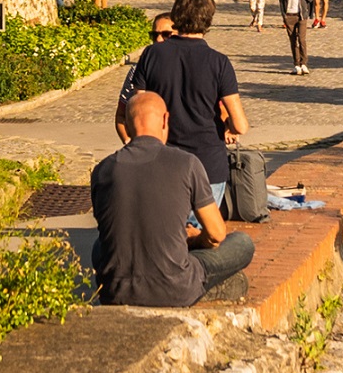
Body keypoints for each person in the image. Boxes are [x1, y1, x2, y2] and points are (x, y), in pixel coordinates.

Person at [85, 86, 235, 313]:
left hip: (116, 292)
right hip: (176, 288)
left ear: (126, 124)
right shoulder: (187, 163)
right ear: (165, 120)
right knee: (242, 244)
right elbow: (216, 234)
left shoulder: (103, 170)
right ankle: (205, 286)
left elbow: (109, 231)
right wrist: (193, 240)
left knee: (99, 246)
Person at [138, 0, 248, 216]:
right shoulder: (219, 62)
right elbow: (240, 125)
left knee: (167, 230)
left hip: (163, 158)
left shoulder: (152, 54)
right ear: (208, 19)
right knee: (198, 235)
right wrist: (227, 125)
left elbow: (137, 107)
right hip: (207, 164)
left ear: (177, 15)